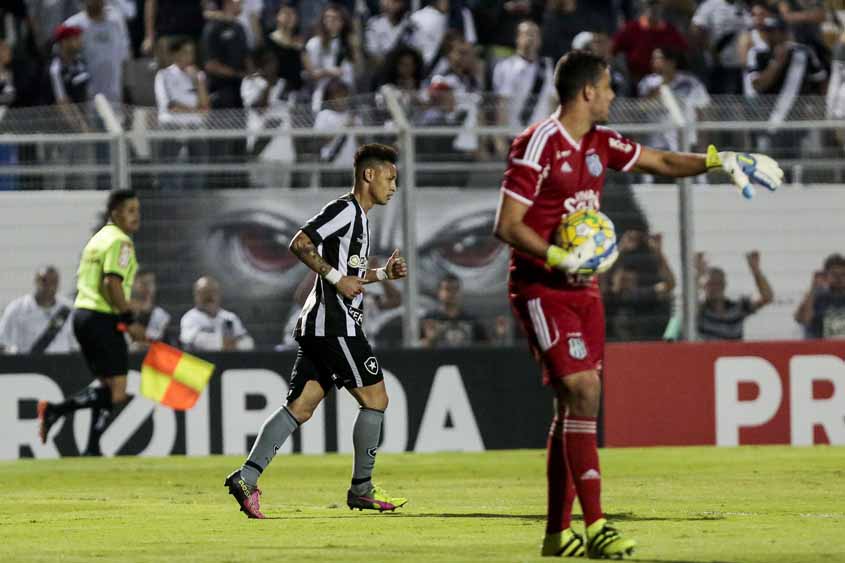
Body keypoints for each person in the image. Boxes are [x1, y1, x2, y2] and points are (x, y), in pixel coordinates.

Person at [493, 50, 782, 558]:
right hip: (542, 287)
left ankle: (558, 534)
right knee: (583, 390)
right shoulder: (536, 144)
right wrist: (559, 254)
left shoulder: (603, 142)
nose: (611, 97)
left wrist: (721, 160)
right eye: (607, 88)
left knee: (574, 405)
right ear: (587, 92)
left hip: (585, 288)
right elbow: (508, 224)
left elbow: (664, 161)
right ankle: (598, 524)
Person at [224, 143, 408, 518]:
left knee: (301, 406)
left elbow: (350, 277)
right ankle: (363, 488)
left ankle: (246, 477)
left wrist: (382, 275)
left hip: (323, 325)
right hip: (334, 325)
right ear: (369, 175)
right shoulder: (344, 211)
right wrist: (338, 279)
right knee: (376, 399)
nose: (394, 186)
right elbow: (300, 243)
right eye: (390, 178)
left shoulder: (360, 218)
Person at [37, 190, 146, 456]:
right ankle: (54, 410)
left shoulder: (98, 240)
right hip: (101, 318)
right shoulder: (121, 242)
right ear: (115, 213)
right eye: (130, 210)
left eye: (137, 210)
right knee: (118, 392)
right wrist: (128, 319)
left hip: (82, 316)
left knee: (107, 386)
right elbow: (112, 281)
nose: (136, 216)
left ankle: (92, 448)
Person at [0, 266, 78, 355]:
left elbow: (75, 345)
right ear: (36, 281)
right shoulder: (17, 309)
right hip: (28, 366)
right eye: (44, 281)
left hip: (60, 366)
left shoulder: (69, 310)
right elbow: (2, 342)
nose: (49, 286)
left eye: (53, 282)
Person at [697, 251, 773, 340]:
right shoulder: (700, 310)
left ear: (724, 285)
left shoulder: (737, 308)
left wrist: (755, 270)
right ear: (704, 287)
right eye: (711, 284)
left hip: (733, 353)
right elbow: (687, 306)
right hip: (708, 353)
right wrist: (698, 274)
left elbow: (767, 297)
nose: (715, 288)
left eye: (718, 283)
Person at [179, 276, 255, 352]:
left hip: (228, 361)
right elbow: (190, 342)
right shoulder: (189, 318)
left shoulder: (229, 317)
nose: (209, 297)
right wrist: (225, 343)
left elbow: (248, 343)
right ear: (196, 295)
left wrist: (234, 345)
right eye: (205, 292)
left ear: (219, 294)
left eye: (212, 292)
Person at [420, 274, 487, 348]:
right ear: (439, 293)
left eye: (456, 289)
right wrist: (430, 340)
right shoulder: (429, 319)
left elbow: (485, 347)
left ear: (461, 292)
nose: (452, 293)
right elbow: (416, 348)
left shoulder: (472, 320)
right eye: (447, 289)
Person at [794, 253, 845, 338]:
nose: (839, 278)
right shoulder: (817, 296)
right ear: (825, 275)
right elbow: (802, 320)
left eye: (843, 275)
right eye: (834, 274)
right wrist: (812, 289)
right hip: (821, 348)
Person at [128, 269, 171, 349]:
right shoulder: (121, 310)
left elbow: (151, 340)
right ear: (133, 284)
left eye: (151, 284)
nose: (148, 288)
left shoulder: (161, 315)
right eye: (144, 284)